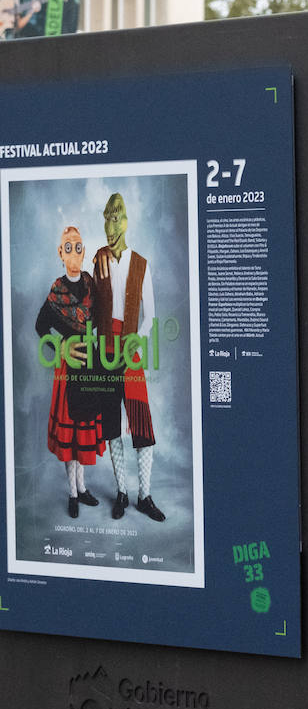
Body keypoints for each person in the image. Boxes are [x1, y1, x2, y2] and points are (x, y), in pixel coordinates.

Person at [92, 192, 165, 522]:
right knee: (111, 425)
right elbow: (92, 311)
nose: (110, 225)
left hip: (130, 350)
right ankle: (121, 491)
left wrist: (138, 341)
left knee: (140, 423)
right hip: (105, 351)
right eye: (106, 218)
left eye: (115, 218)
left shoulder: (141, 265)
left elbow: (150, 316)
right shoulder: (99, 261)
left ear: (126, 221)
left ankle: (144, 494)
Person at [34, 226, 103, 518]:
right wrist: (61, 349)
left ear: (84, 252)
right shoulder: (56, 292)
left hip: (89, 365)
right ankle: (72, 493)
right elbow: (40, 327)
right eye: (68, 247)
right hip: (67, 367)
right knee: (69, 432)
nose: (74, 252)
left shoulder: (91, 286)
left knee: (83, 431)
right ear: (60, 253)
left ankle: (83, 487)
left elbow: (99, 321)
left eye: (78, 247)